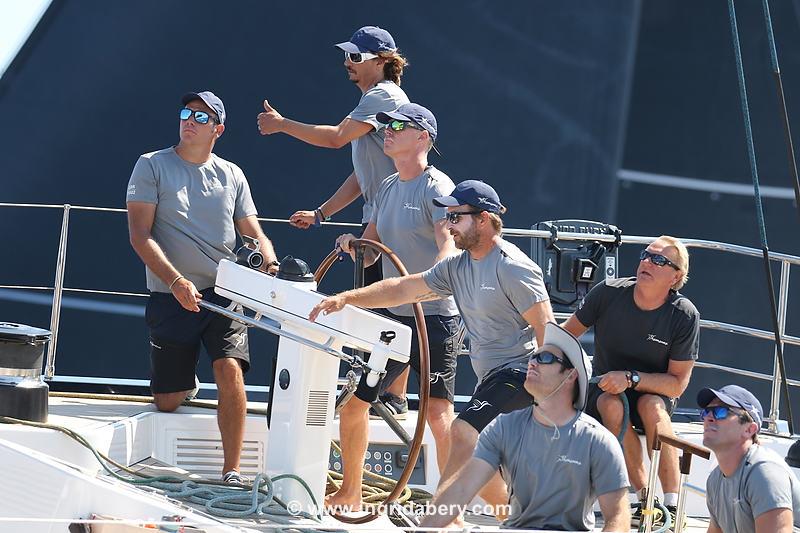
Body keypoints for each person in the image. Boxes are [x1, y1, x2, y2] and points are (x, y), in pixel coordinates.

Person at [310, 180, 554, 517]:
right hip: (492, 377)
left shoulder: (513, 268)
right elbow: (402, 289)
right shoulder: (457, 266)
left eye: (456, 217)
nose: (448, 225)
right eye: (448, 217)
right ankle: (516, 518)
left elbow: (548, 334)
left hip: (523, 372)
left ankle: (443, 518)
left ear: (483, 219)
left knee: (461, 432)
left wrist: (554, 398)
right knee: (477, 450)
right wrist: (346, 299)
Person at [127, 91, 278, 484]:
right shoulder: (150, 166)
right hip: (170, 296)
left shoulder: (232, 174)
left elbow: (252, 231)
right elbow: (140, 236)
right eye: (186, 113)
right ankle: (184, 384)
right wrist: (176, 282)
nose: (189, 120)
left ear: (218, 130)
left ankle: (233, 471)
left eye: (201, 117)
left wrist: (270, 261)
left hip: (223, 296)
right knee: (167, 401)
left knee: (230, 369)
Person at [327, 103, 459, 510]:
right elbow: (372, 252)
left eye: (399, 125)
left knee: (437, 414)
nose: (386, 130)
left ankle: (451, 507)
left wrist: (427, 285)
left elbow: (448, 245)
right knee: (355, 406)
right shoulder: (386, 187)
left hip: (435, 320)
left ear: (423, 138)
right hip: (391, 322)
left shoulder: (437, 188)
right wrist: (352, 245)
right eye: (386, 124)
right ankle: (350, 492)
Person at [420, 322, 631, 531]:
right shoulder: (502, 429)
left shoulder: (598, 441)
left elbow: (618, 517)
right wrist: (425, 529)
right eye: (533, 356)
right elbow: (462, 487)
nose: (532, 363)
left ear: (570, 375)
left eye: (545, 358)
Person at [256, 25, 409, 288]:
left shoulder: (383, 94)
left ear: (382, 62)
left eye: (357, 57)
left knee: (390, 315)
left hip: (392, 222)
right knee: (378, 315)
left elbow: (335, 138)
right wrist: (320, 214)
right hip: (382, 220)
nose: (348, 62)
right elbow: (363, 175)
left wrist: (281, 124)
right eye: (347, 55)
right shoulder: (375, 100)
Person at [562, 235, 700, 522]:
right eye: (645, 255)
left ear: (676, 276)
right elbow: (564, 336)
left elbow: (677, 383)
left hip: (653, 391)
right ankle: (646, 500)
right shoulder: (608, 292)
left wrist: (631, 378)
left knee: (652, 406)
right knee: (613, 405)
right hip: (604, 391)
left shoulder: (684, 314)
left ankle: (672, 507)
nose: (647, 262)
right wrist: (544, 358)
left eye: (659, 260)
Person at [699, 385, 800, 532]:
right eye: (707, 412)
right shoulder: (715, 479)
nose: (708, 417)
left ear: (749, 429)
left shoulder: (764, 473)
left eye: (721, 412)